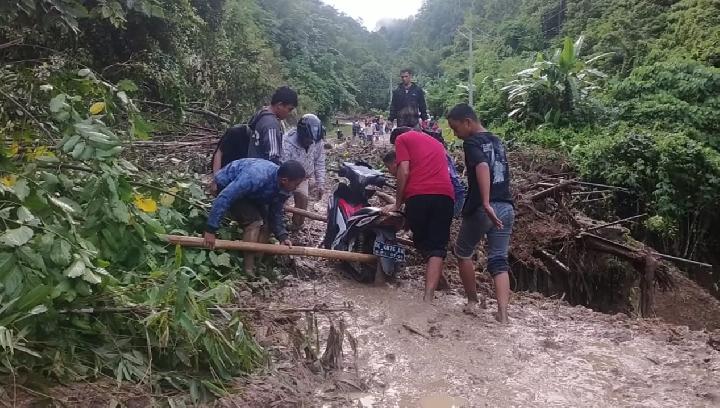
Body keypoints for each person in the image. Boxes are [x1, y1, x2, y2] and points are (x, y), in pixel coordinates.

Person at [446, 103, 515, 323]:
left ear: (468, 122)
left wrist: (485, 202)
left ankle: (472, 301)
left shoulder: (472, 142)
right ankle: (503, 314)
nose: (456, 135)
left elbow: (483, 166)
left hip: (484, 208)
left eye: (456, 129)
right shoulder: (497, 141)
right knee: (499, 259)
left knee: (463, 251)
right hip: (506, 207)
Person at [382, 127, 455, 302]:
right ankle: (429, 296)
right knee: (437, 247)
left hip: (419, 197)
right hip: (446, 197)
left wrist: (398, 204)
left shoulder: (402, 139)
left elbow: (404, 171)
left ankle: (433, 288)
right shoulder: (437, 143)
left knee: (421, 241)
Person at [204, 158, 306, 275]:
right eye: (296, 184)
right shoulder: (256, 177)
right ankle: (248, 269)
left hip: (255, 194)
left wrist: (282, 236)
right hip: (227, 184)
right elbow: (226, 196)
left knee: (267, 225)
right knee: (254, 222)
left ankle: (257, 262)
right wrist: (211, 229)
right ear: (284, 180)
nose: (297, 187)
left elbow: (275, 212)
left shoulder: (284, 188)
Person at [282, 114, 327, 229]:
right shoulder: (287, 143)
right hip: (288, 176)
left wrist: (320, 184)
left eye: (313, 141)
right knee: (281, 198)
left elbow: (319, 162)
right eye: (308, 140)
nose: (310, 142)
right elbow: (283, 164)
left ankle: (297, 224)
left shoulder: (317, 141)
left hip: (305, 177)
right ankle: (277, 220)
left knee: (303, 197)